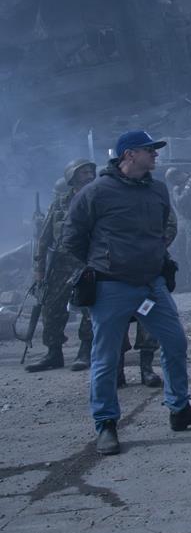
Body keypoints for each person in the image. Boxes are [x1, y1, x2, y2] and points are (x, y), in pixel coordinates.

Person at [61, 130, 191, 456]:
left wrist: (155, 255)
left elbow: (165, 226)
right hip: (111, 286)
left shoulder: (158, 189)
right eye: (150, 150)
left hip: (151, 284)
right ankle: (106, 423)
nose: (156, 155)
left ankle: (179, 409)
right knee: (106, 358)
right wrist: (100, 263)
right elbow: (72, 237)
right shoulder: (97, 192)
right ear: (129, 154)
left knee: (175, 342)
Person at [27, 158, 96, 373]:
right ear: (72, 177)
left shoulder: (98, 199)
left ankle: (85, 351)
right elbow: (45, 236)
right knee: (51, 307)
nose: (89, 176)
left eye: (90, 172)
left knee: (88, 308)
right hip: (60, 264)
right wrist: (39, 268)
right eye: (83, 172)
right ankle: (53, 352)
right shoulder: (59, 203)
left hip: (87, 262)